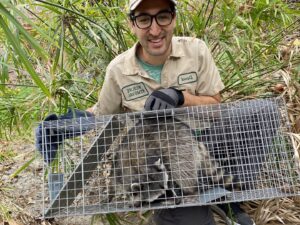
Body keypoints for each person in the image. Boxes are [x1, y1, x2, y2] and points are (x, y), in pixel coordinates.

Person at [36, 0, 255, 224]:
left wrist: (181, 97)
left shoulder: (196, 50)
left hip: (204, 141)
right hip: (162, 164)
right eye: (143, 19)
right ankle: (176, 205)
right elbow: (102, 113)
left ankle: (229, 198)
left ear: (173, 18)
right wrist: (66, 125)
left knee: (259, 112)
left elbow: (216, 106)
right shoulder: (118, 70)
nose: (154, 29)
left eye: (162, 16)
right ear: (132, 25)